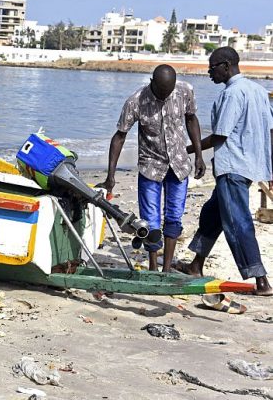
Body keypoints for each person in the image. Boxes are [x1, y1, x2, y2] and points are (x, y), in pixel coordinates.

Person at [178, 47, 273, 296]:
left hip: (232, 166)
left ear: (227, 66)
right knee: (213, 213)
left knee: (237, 223)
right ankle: (196, 265)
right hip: (250, 166)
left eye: (212, 67)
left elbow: (220, 134)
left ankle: (261, 280)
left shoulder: (232, 94)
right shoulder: (259, 92)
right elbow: (270, 131)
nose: (209, 73)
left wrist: (190, 150)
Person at [98, 65, 205, 272]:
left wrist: (199, 155)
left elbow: (191, 119)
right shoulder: (136, 101)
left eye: (169, 91)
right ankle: (153, 266)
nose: (166, 96)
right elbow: (119, 136)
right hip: (150, 167)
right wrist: (110, 176)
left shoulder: (184, 92)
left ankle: (166, 268)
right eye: (162, 91)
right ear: (152, 82)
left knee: (174, 216)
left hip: (179, 165)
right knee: (150, 220)